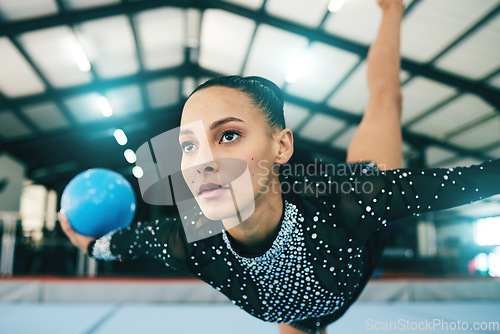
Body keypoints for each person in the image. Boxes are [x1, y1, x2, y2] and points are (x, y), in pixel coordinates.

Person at [59, 1, 500, 333]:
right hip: (300, 319)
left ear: (281, 144)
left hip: (362, 231)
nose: (205, 161)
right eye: (188, 145)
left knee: (386, 102)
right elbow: (123, 243)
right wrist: (86, 243)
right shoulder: (192, 240)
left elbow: (468, 181)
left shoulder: (350, 197)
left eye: (228, 135)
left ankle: (391, 7)